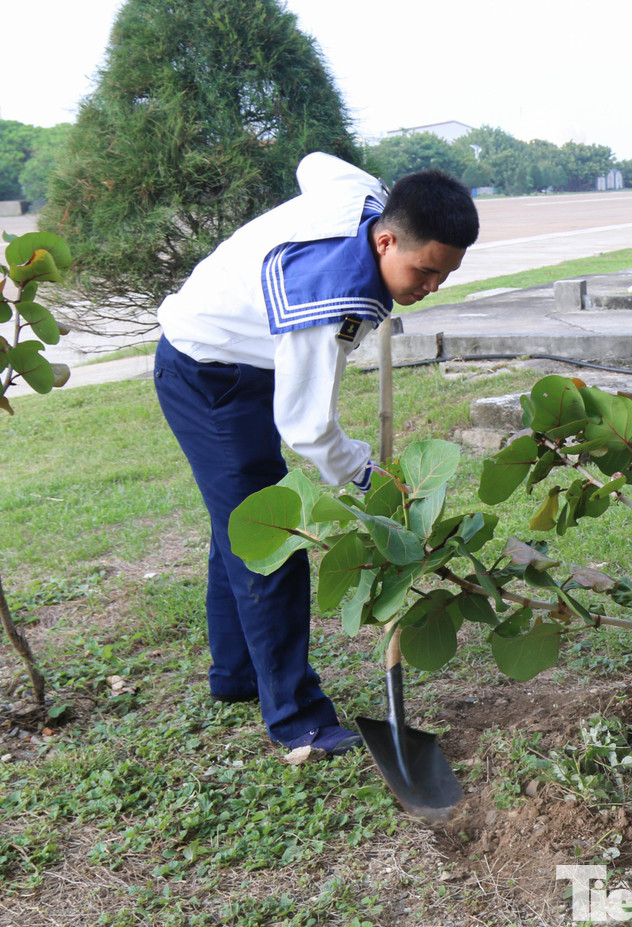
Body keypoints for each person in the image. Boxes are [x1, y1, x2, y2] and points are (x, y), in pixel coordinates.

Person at [154, 153, 478, 754]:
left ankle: (236, 676)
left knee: (240, 523)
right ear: (385, 241)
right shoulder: (328, 302)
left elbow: (313, 163)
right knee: (274, 537)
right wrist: (371, 478)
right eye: (425, 270)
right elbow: (307, 429)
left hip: (246, 361)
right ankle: (298, 720)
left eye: (445, 275)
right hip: (207, 373)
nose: (431, 287)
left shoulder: (363, 196)